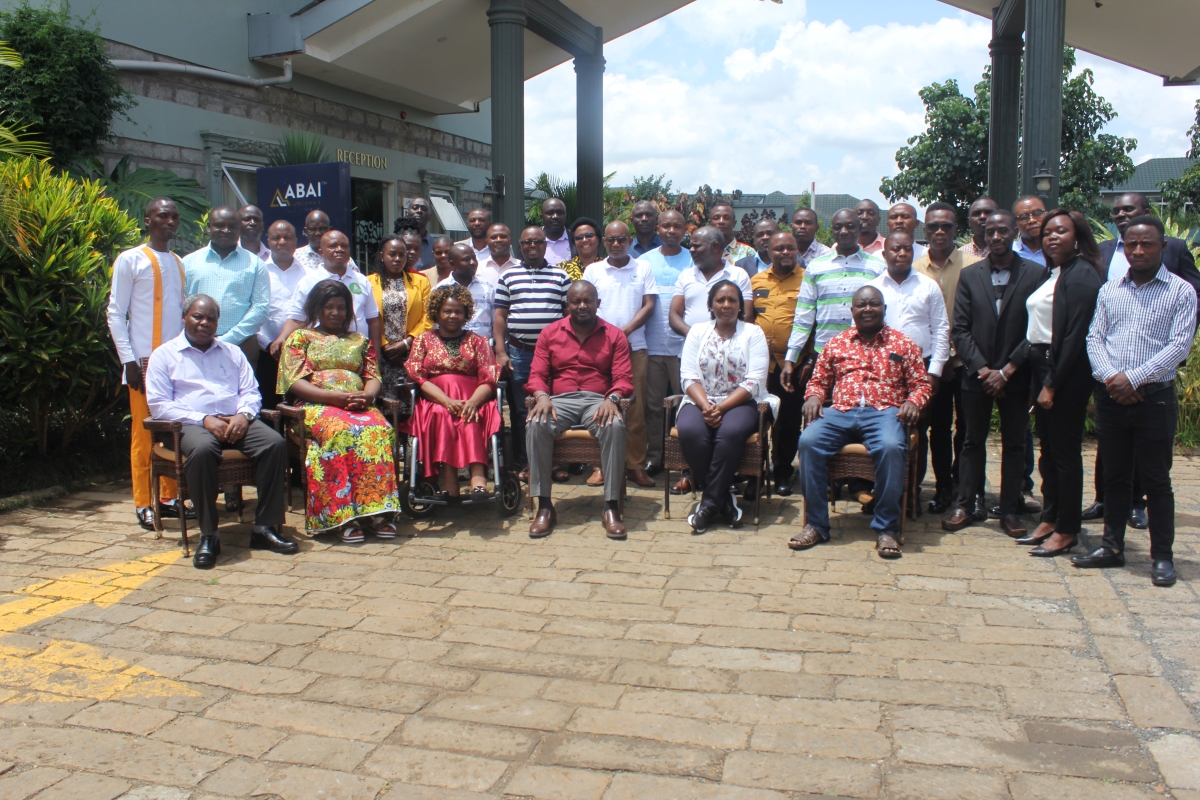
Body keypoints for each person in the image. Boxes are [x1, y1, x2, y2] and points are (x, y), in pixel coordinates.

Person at [1074, 215, 1196, 587]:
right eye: (1131, 245)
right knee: (1114, 476)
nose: (1138, 250)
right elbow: (1095, 338)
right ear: (1123, 248)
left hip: (1153, 398)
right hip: (1112, 396)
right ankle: (1112, 547)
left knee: (1156, 480)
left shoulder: (1181, 292)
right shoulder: (1111, 290)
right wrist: (1112, 377)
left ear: (1162, 247)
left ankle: (1162, 556)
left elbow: (1179, 346)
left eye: (1147, 244)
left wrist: (1134, 378)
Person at [145, 295, 297, 569]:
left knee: (274, 443)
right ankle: (209, 534)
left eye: (211, 319)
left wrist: (244, 414)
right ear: (184, 317)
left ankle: (264, 528)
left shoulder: (232, 352)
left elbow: (251, 392)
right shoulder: (164, 355)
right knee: (203, 451)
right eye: (197, 317)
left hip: (236, 420)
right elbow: (159, 406)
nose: (204, 323)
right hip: (190, 425)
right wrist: (203, 419)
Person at [792, 286, 931, 557]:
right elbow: (819, 381)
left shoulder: (904, 344)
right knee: (808, 441)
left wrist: (913, 402)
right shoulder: (836, 343)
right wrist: (813, 397)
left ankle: (886, 528)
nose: (868, 309)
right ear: (852, 310)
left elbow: (921, 385)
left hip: (885, 412)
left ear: (884, 309)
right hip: (840, 412)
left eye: (874, 304)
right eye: (862, 305)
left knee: (892, 447)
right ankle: (816, 525)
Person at [942, 210, 1046, 536]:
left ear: (1014, 231)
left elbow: (1037, 329)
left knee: (1015, 443)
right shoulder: (971, 275)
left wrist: (1008, 370)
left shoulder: (1035, 274)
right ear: (984, 236)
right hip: (977, 375)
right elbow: (960, 328)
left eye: (1003, 231)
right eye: (990, 232)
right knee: (972, 441)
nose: (996, 237)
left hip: (1017, 376)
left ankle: (1010, 509)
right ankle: (965, 503)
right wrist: (985, 370)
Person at [278, 280, 401, 542]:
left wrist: (368, 395)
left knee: (380, 429)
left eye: (341, 307)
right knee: (341, 432)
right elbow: (294, 382)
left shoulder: (360, 340)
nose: (335, 313)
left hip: (359, 404)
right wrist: (332, 398)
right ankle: (342, 515)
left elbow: (372, 376)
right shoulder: (300, 338)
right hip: (316, 406)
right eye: (328, 307)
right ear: (316, 309)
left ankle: (377, 511)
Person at [1019, 209, 1104, 558]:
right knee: (1049, 451)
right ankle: (1050, 517)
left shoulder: (1082, 275)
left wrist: (1052, 384)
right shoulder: (1057, 272)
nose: (1053, 237)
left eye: (1062, 231)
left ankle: (1067, 528)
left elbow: (1074, 337)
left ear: (1077, 236)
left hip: (1065, 372)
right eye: (1048, 231)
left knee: (1066, 454)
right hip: (1043, 366)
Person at [525, 281, 633, 540]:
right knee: (536, 423)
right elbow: (537, 374)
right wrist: (541, 396)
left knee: (615, 426)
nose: (582, 306)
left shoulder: (614, 334)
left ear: (598, 303)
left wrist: (613, 398)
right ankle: (544, 506)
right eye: (576, 301)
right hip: (559, 400)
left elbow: (624, 378)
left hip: (599, 400)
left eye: (588, 301)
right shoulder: (550, 333)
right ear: (568, 305)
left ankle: (611, 506)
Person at [107, 197, 191, 529]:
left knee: (174, 432)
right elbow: (115, 313)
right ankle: (144, 502)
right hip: (142, 362)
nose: (169, 221)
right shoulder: (131, 260)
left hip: (174, 364)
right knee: (143, 435)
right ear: (147, 221)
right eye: (162, 216)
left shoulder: (178, 262)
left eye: (174, 216)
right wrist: (127, 360)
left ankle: (170, 498)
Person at [679, 279, 777, 532]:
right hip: (700, 399)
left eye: (732, 300)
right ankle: (725, 501)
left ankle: (709, 504)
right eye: (720, 300)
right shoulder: (697, 331)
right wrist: (706, 406)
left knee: (730, 432)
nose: (726, 305)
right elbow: (688, 376)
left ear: (740, 305)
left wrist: (720, 409)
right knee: (690, 431)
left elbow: (755, 381)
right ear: (711, 304)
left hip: (742, 401)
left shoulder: (753, 333)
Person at [868, 230, 950, 514]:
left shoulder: (928, 286)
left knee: (918, 432)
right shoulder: (874, 287)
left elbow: (940, 330)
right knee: (885, 431)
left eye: (906, 249)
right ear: (885, 253)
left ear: (913, 252)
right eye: (895, 249)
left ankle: (912, 493)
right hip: (884, 373)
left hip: (922, 370)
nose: (901, 253)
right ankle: (884, 494)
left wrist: (935, 371)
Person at [670, 226, 754, 494]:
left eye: (697, 246)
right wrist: (700, 337)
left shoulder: (738, 274)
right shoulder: (686, 275)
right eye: (691, 245)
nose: (691, 250)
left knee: (728, 429)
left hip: (734, 362)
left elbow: (747, 315)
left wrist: (721, 337)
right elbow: (674, 315)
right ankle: (705, 483)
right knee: (693, 426)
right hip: (695, 362)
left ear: (716, 248)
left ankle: (715, 490)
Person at [405, 284, 501, 499]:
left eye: (458, 311)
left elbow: (488, 377)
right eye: (447, 311)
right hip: (436, 400)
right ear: (437, 312)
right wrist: (447, 401)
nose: (452, 316)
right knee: (443, 415)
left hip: (475, 397)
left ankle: (478, 479)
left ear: (466, 313)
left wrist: (473, 402)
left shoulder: (479, 342)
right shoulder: (423, 341)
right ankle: (450, 483)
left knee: (471, 414)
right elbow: (418, 377)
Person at [914, 202, 981, 513]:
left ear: (957, 230)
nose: (939, 232)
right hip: (932, 367)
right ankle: (941, 489)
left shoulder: (974, 265)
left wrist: (957, 354)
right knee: (937, 429)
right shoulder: (913, 270)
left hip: (968, 362)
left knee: (968, 432)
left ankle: (968, 490)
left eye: (947, 226)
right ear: (924, 230)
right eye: (932, 227)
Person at [583, 220, 658, 488]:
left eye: (622, 239)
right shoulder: (593, 270)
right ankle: (600, 465)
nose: (616, 244)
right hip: (599, 348)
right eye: (611, 240)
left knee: (635, 409)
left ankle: (635, 466)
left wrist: (624, 331)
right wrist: (610, 335)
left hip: (634, 348)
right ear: (604, 242)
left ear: (630, 241)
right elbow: (586, 306)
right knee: (597, 407)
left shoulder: (643, 267)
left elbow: (649, 305)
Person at [494, 226, 571, 475]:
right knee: (521, 409)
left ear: (545, 245)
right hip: (520, 352)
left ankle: (555, 462)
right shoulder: (508, 277)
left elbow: (568, 315)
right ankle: (528, 462)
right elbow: (500, 316)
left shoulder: (560, 276)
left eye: (538, 241)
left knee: (555, 406)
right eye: (527, 242)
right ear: (521, 245)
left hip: (554, 354)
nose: (533, 246)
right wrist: (500, 352)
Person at [781, 209, 886, 390]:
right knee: (821, 411)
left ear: (860, 228)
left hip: (865, 354)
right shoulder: (816, 266)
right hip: (824, 353)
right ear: (832, 231)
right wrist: (791, 357)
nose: (844, 231)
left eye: (850, 226)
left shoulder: (877, 267)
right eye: (838, 227)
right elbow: (804, 316)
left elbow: (884, 314)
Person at [752, 232, 806, 495]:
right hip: (761, 364)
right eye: (779, 248)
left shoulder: (807, 279)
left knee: (788, 420)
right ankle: (755, 471)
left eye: (790, 248)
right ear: (768, 251)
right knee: (759, 417)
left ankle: (783, 471)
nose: (785, 253)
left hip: (793, 364)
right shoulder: (756, 280)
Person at [183, 205, 270, 367]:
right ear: (209, 227)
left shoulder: (255, 264)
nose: (226, 230)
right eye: (219, 225)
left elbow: (261, 307)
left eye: (232, 227)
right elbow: (182, 303)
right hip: (196, 343)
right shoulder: (189, 262)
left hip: (242, 344)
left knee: (242, 392)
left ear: (239, 229)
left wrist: (228, 339)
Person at [276, 230, 382, 360]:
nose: (339, 250)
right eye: (333, 246)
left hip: (358, 356)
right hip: (320, 358)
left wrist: (376, 357)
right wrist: (282, 337)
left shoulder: (362, 281)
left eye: (344, 246)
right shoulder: (308, 282)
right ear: (321, 252)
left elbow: (373, 320)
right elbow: (296, 318)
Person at [642, 209, 692, 476]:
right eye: (666, 226)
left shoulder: (694, 259)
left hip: (685, 348)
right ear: (657, 229)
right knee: (653, 406)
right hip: (652, 346)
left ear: (685, 230)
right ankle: (655, 456)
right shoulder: (644, 261)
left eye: (677, 226)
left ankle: (684, 458)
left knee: (686, 405)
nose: (671, 231)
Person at [366, 235, 432, 399]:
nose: (397, 259)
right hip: (381, 354)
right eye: (392, 254)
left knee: (411, 402)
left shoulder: (421, 281)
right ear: (382, 255)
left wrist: (406, 343)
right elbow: (366, 317)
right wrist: (384, 346)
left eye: (401, 255)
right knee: (385, 401)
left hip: (412, 352)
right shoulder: (368, 282)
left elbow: (429, 316)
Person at [256, 220, 307, 410]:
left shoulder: (307, 274)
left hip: (301, 353)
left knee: (298, 406)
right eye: (276, 238)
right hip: (267, 352)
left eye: (287, 237)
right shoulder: (258, 271)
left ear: (295, 240)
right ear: (268, 241)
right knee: (268, 405)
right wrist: (268, 344)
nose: (282, 241)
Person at [437, 243, 496, 340]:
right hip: (450, 348)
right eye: (466, 259)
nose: (473, 262)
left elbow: (495, 321)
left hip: (483, 349)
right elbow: (435, 324)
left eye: (474, 258)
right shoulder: (440, 289)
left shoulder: (488, 288)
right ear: (452, 263)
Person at [294, 210, 360, 273]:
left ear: (330, 230)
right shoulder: (296, 257)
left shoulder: (341, 257)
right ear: (305, 231)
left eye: (322, 228)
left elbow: (356, 282)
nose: (318, 233)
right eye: (313, 229)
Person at [558, 217, 602, 281]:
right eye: (579, 237)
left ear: (598, 239)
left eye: (589, 235)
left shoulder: (607, 267)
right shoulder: (562, 269)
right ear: (574, 242)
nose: (584, 240)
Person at [1013, 195, 1048, 266]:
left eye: (1037, 213)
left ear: (1046, 215)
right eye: (1023, 217)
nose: (1032, 220)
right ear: (1015, 223)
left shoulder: (1057, 250)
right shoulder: (1010, 252)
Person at [402, 197, 436, 269]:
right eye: (415, 208)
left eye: (424, 209)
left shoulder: (436, 246)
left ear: (430, 217)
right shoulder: (398, 242)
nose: (419, 211)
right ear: (407, 214)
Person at [541, 198, 571, 266]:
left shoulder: (576, 239)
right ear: (541, 217)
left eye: (560, 213)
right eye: (550, 213)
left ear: (565, 216)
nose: (555, 216)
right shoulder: (530, 242)